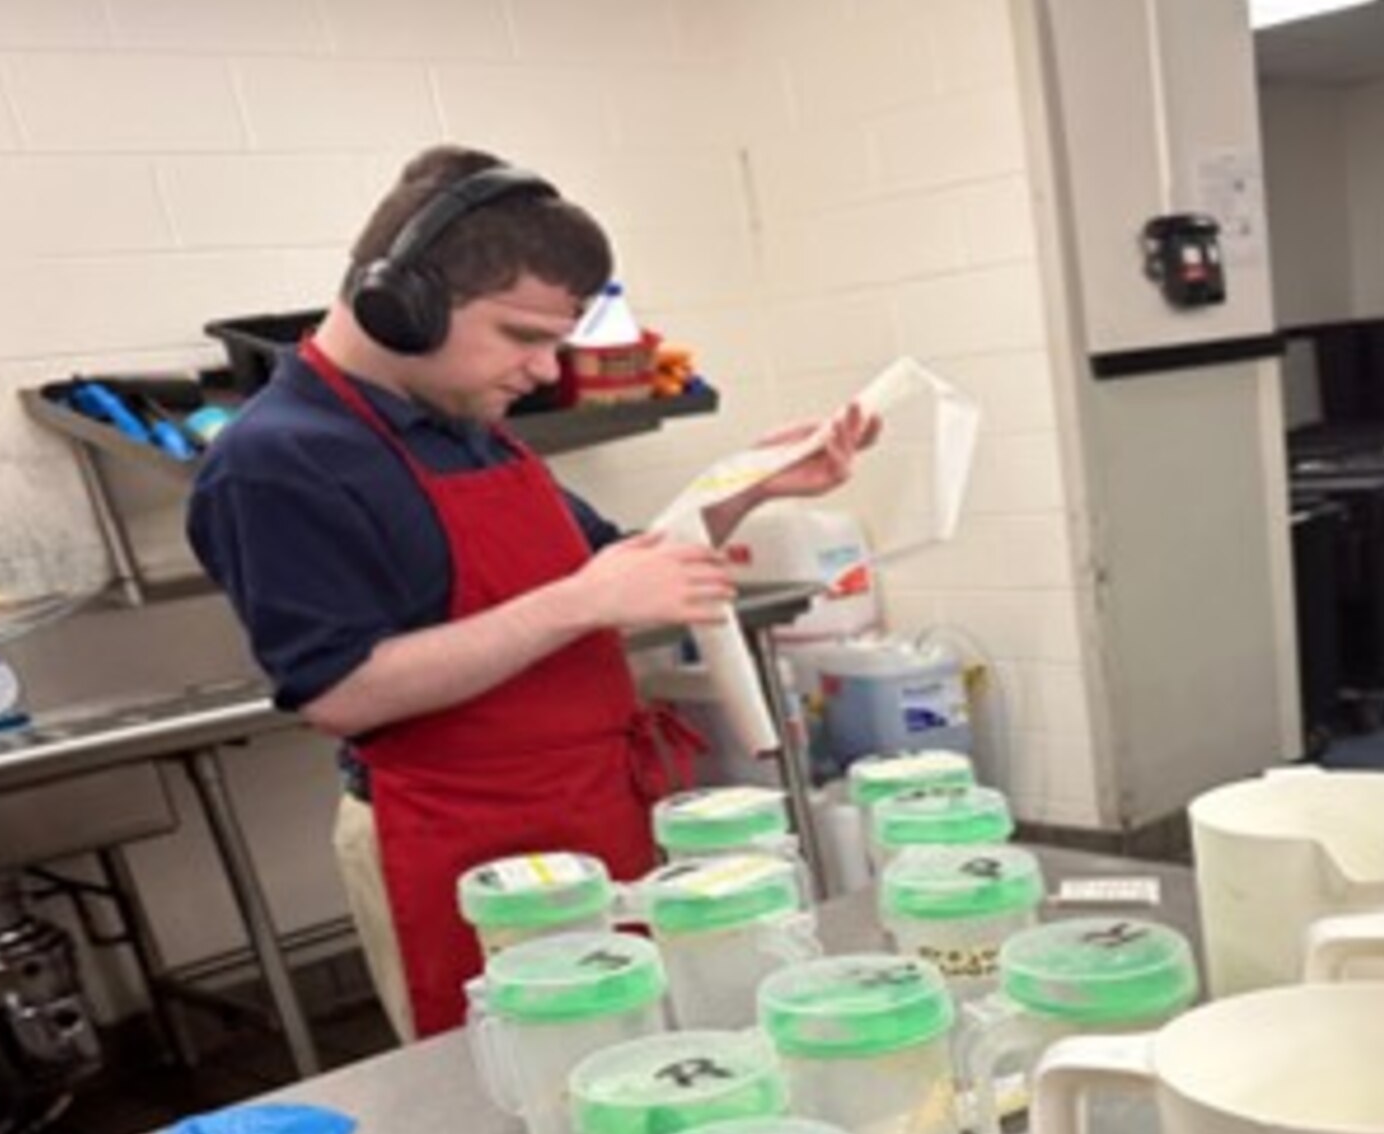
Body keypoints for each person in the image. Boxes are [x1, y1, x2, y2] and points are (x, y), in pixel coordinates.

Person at [189, 144, 874, 1041]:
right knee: (510, 1093)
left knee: (629, 1060)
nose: (546, 371)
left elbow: (616, 564)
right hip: (453, 846)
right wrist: (578, 604)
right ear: (402, 303)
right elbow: (339, 690)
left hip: (584, 811)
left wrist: (752, 485)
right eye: (523, 336)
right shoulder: (277, 460)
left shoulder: (468, 425)